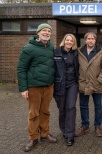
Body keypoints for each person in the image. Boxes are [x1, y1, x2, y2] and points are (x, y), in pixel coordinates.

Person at [17, 23, 57, 152]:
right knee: (33, 113)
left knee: (45, 112)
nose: (47, 33)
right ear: (38, 33)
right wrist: (23, 88)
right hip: (34, 87)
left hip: (48, 86)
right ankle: (33, 137)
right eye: (44, 30)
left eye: (49, 31)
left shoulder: (51, 47)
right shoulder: (28, 48)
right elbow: (21, 69)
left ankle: (45, 134)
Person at [75, 32, 102, 137]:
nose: (90, 40)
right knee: (83, 106)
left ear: (95, 40)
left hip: (96, 84)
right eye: (88, 38)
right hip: (83, 84)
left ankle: (97, 126)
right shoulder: (79, 52)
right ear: (85, 40)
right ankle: (85, 125)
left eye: (92, 39)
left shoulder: (101, 52)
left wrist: (100, 79)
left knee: (98, 106)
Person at [53, 34, 79, 146]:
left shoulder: (76, 53)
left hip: (72, 84)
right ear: (64, 41)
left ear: (74, 43)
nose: (69, 42)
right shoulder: (56, 52)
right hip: (60, 85)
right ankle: (64, 130)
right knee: (62, 108)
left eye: (71, 41)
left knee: (71, 107)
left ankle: (70, 134)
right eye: (67, 40)